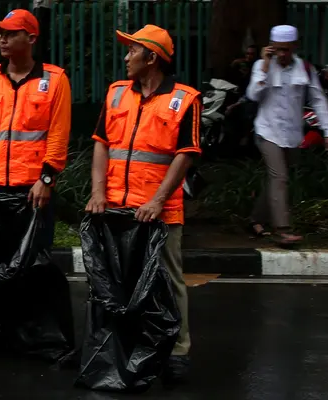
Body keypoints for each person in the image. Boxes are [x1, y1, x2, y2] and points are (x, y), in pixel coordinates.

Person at [85, 24, 201, 383]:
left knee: (168, 279)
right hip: (117, 208)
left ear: (152, 58)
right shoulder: (118, 93)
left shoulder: (185, 98)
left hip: (158, 210)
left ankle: (178, 349)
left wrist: (157, 200)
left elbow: (186, 155)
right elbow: (102, 143)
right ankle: (128, 343)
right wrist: (97, 192)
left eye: (132, 51)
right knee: (121, 281)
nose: (126, 57)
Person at [0, 9, 71, 250]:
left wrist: (46, 179)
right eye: (1, 33)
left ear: (32, 39)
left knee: (33, 264)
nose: (2, 39)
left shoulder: (55, 80)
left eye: (11, 34)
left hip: (33, 188)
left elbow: (58, 134)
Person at [246, 25, 328, 245]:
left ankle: (255, 219)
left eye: (286, 50)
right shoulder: (262, 66)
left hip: (292, 135)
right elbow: (253, 94)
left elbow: (318, 101)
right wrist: (266, 67)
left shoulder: (305, 69)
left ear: (294, 47)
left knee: (276, 178)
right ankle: (282, 229)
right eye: (278, 50)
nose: (282, 55)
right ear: (271, 48)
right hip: (267, 131)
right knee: (280, 177)